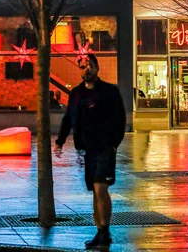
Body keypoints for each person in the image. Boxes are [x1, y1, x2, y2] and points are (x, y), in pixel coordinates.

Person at [54, 53, 126, 249]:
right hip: (86, 150)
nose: (86, 70)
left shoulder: (109, 91)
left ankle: (105, 232)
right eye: (82, 67)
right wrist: (60, 141)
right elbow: (69, 118)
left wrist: (113, 144)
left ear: (97, 68)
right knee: (95, 191)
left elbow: (120, 119)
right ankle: (100, 231)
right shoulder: (76, 93)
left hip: (105, 148)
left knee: (100, 187)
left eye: (89, 66)